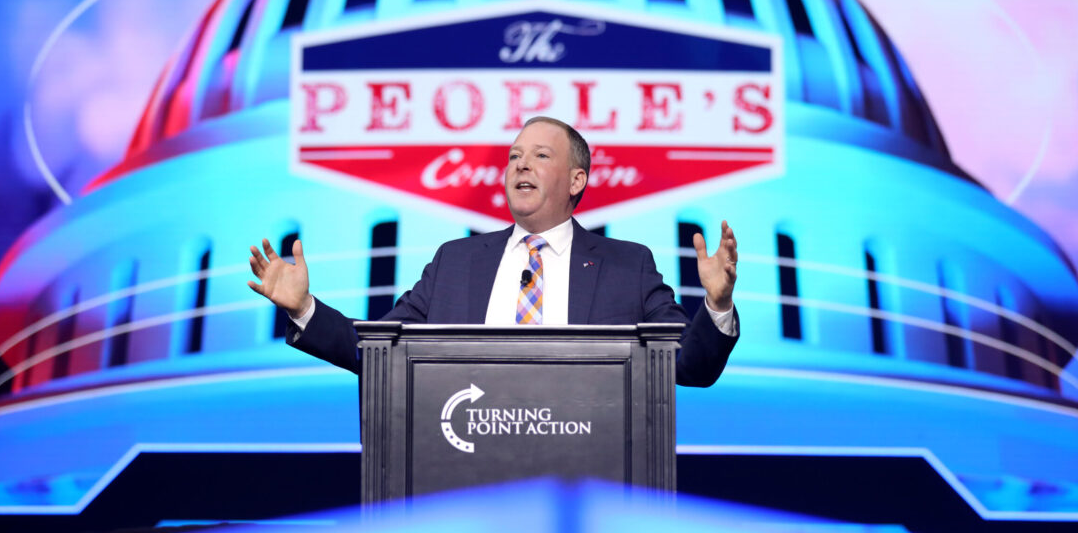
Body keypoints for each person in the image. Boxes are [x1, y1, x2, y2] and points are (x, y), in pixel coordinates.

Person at [249, 117, 740, 387]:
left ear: (577, 180)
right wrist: (304, 310)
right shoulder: (455, 263)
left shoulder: (626, 266)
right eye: (513, 157)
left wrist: (715, 306)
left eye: (540, 156)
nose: (520, 165)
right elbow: (380, 350)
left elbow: (689, 366)